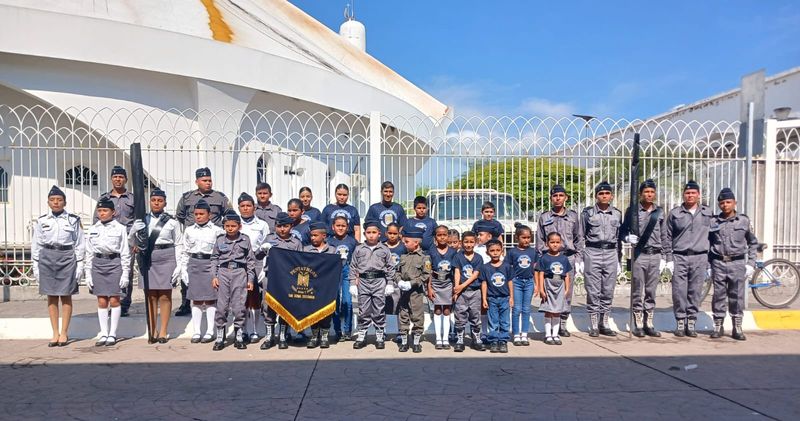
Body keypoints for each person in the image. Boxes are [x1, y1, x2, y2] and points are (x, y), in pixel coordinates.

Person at [174, 167, 231, 316]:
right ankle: (186, 303)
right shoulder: (187, 198)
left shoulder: (220, 198)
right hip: (193, 239)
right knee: (189, 272)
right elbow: (180, 215)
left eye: (210, 180)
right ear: (197, 181)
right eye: (205, 180)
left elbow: (229, 214)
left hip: (213, 240)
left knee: (215, 273)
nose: (208, 183)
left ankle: (216, 303)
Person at [33, 186, 85, 347]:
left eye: (59, 200)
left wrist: (80, 265)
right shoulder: (42, 221)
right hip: (47, 257)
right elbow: (36, 244)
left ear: (65, 202)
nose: (56, 202)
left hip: (67, 257)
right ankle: (54, 332)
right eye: (52, 200)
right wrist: (35, 266)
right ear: (48, 202)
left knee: (66, 295)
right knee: (51, 296)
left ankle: (64, 332)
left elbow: (80, 243)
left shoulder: (73, 220)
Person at [130, 188, 182, 344]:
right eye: (154, 200)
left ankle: (164, 331)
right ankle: (152, 330)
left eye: (160, 200)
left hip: (167, 256)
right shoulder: (142, 220)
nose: (157, 203)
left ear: (165, 203)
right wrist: (133, 232)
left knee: (165, 295)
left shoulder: (172, 222)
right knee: (151, 295)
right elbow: (132, 243)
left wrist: (179, 266)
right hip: (148, 258)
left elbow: (178, 243)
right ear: (150, 202)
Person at [665, 180, 714, 338]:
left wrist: (710, 261)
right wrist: (668, 258)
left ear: (698, 195)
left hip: (700, 257)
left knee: (695, 291)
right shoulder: (675, 213)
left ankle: (691, 322)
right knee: (679, 291)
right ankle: (680, 321)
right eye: (687, 193)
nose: (690, 195)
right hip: (680, 256)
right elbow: (666, 236)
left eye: (693, 193)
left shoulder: (708, 212)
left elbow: (714, 237)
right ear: (683, 195)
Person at [620, 179, 668, 337]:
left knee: (651, 290)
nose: (649, 194)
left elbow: (665, 235)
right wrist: (627, 238)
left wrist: (665, 258)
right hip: (639, 255)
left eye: (652, 192)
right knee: (637, 289)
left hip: (655, 255)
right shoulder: (632, 211)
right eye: (646, 192)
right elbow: (622, 231)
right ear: (640, 194)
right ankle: (638, 322)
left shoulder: (660, 212)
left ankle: (649, 322)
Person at [709, 188, 758, 341]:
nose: (725, 205)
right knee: (718, 295)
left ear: (734, 203)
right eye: (722, 203)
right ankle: (718, 325)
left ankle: (737, 326)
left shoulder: (744, 221)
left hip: (737, 263)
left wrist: (751, 263)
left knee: (736, 295)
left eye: (728, 202)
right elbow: (707, 243)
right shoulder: (713, 221)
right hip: (718, 262)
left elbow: (753, 243)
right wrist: (708, 265)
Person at [536, 184, 583, 337]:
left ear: (566, 198)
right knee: (550, 290)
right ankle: (550, 323)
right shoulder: (544, 217)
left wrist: (578, 258)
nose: (558, 198)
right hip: (549, 258)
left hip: (567, 257)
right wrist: (541, 259)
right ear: (551, 198)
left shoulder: (573, 216)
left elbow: (579, 238)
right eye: (555, 196)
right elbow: (540, 239)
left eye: (561, 196)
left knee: (566, 292)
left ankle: (562, 323)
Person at [85, 198, 131, 347]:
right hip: (98, 264)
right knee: (102, 300)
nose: (102, 213)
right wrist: (88, 273)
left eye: (105, 211)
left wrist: (125, 273)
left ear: (113, 212)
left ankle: (113, 333)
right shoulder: (93, 228)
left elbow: (125, 252)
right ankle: (104, 332)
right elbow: (89, 252)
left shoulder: (120, 228)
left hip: (114, 263)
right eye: (100, 211)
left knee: (114, 300)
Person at [179, 199, 225, 344]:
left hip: (210, 264)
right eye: (196, 214)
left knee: (211, 298)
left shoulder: (217, 231)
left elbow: (221, 253)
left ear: (209, 215)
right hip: (194, 264)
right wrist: (183, 270)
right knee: (196, 299)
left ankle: (210, 330)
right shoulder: (189, 230)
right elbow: (185, 251)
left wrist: (217, 271)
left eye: (201, 214)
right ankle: (197, 331)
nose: (198, 216)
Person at [581, 181, 623, 337]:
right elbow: (581, 235)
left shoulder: (617, 213)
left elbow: (618, 238)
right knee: (593, 290)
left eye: (607, 193)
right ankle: (593, 324)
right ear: (596, 196)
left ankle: (604, 322)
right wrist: (580, 257)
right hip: (593, 251)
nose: (604, 196)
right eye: (601, 193)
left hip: (611, 252)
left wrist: (619, 258)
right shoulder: (588, 213)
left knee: (608, 289)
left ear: (611, 196)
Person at [211, 212, 257, 351]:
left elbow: (250, 261)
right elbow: (214, 259)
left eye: (233, 226)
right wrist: (214, 276)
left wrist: (251, 279)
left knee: (239, 305)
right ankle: (220, 335)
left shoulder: (245, 240)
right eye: (227, 226)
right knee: (222, 305)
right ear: (224, 227)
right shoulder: (220, 240)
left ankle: (239, 334)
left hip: (239, 273)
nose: (230, 228)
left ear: (240, 226)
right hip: (223, 273)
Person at [95, 166, 135, 317]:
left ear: (125, 179)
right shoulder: (104, 198)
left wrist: (136, 241)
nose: (118, 179)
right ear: (111, 179)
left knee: (126, 272)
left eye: (121, 176)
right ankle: (108, 301)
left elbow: (139, 220)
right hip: (109, 241)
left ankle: (123, 304)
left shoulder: (132, 198)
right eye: (115, 177)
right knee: (108, 272)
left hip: (128, 240)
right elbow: (96, 220)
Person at [259, 212, 303, 350]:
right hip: (270, 277)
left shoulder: (296, 242)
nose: (282, 229)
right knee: (268, 306)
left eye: (286, 226)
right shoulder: (269, 238)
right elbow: (257, 255)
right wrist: (263, 249)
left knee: (285, 307)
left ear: (291, 226)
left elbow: (301, 262)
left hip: (288, 279)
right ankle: (269, 337)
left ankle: (283, 336)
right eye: (279, 226)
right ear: (275, 226)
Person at [349, 221, 396, 349]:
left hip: (379, 281)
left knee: (379, 309)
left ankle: (380, 334)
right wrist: (353, 283)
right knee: (363, 310)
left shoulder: (384, 249)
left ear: (379, 234)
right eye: (368, 233)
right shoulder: (359, 249)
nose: (371, 235)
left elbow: (390, 267)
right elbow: (353, 267)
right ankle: (362, 334)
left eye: (374, 233)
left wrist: (390, 283)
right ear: (364, 234)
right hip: (363, 282)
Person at [237, 192, 270, 343]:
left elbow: (267, 247)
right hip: (238, 263)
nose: (245, 208)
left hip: (256, 262)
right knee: (241, 298)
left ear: (254, 207)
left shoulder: (262, 225)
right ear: (239, 208)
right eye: (242, 206)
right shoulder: (234, 223)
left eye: (248, 206)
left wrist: (263, 267)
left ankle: (255, 330)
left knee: (254, 298)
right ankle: (242, 330)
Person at [395, 227, 431, 353]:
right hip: (404, 292)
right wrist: (399, 281)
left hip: (416, 292)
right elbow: (397, 271)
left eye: (406, 242)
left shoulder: (424, 258)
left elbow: (426, 275)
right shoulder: (403, 256)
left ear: (416, 242)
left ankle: (416, 342)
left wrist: (412, 283)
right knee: (403, 315)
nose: (404, 244)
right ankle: (404, 342)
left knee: (417, 316)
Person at [303, 221, 338, 348]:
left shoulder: (333, 250)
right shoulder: (305, 249)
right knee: (312, 311)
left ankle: (324, 335)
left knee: (326, 311)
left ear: (324, 236)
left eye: (315, 235)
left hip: (327, 286)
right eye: (311, 235)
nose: (312, 238)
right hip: (311, 286)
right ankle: (314, 335)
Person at [536, 232, 572, 345]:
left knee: (557, 311)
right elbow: (541, 274)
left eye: (557, 242)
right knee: (548, 310)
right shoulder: (544, 258)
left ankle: (555, 334)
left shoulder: (564, 258)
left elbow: (566, 274)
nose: (555, 245)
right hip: (548, 285)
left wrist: (567, 289)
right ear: (547, 243)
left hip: (560, 285)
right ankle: (548, 335)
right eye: (552, 242)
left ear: (561, 243)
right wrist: (541, 289)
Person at [452, 231, 485, 352]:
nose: (468, 245)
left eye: (471, 242)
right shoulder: (458, 257)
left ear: (475, 243)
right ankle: (460, 339)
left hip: (475, 291)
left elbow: (475, 275)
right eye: (466, 242)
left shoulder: (478, 258)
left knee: (475, 315)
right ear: (461, 243)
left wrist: (462, 285)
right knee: (460, 315)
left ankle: (476, 338)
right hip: (461, 293)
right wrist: (457, 288)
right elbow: (457, 272)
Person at [327, 215, 358, 341]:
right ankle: (337, 330)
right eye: (338, 225)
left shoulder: (352, 241)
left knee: (347, 301)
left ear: (347, 227)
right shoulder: (329, 241)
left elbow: (357, 259)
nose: (340, 228)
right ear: (333, 227)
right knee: (335, 302)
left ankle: (347, 330)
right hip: (333, 272)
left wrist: (357, 275)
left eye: (343, 226)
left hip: (348, 271)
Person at [480, 239, 513, 353]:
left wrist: (511, 297)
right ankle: (494, 340)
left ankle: (503, 341)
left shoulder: (507, 266)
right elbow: (484, 283)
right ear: (487, 252)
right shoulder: (485, 267)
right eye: (492, 250)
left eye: (498, 250)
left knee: (505, 321)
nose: (495, 253)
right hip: (491, 298)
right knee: (493, 321)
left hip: (504, 298)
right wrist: (484, 298)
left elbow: (509, 282)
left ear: (502, 251)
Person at [508, 223, 537, 346]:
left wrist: (537, 285)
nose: (526, 240)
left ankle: (524, 334)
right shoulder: (512, 252)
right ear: (517, 238)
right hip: (517, 282)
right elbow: (508, 269)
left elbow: (535, 269)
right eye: (523, 238)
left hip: (529, 282)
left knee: (526, 309)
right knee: (516, 309)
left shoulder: (533, 251)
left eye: (528, 237)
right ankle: (516, 334)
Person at [428, 225, 457, 350]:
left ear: (448, 236)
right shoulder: (431, 251)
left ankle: (446, 339)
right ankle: (438, 338)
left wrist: (455, 288)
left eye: (444, 235)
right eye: (439, 235)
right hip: (435, 283)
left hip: (448, 283)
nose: (442, 237)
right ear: (435, 237)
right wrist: (429, 287)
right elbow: (428, 271)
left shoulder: (453, 252)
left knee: (447, 310)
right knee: (437, 310)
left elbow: (456, 271)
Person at [384, 222, 405, 335]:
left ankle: (401, 332)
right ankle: (382, 331)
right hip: (384, 280)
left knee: (400, 307)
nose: (392, 236)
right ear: (385, 233)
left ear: (399, 234)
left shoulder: (403, 247)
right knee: (382, 307)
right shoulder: (382, 246)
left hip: (398, 280)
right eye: (390, 233)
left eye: (395, 233)